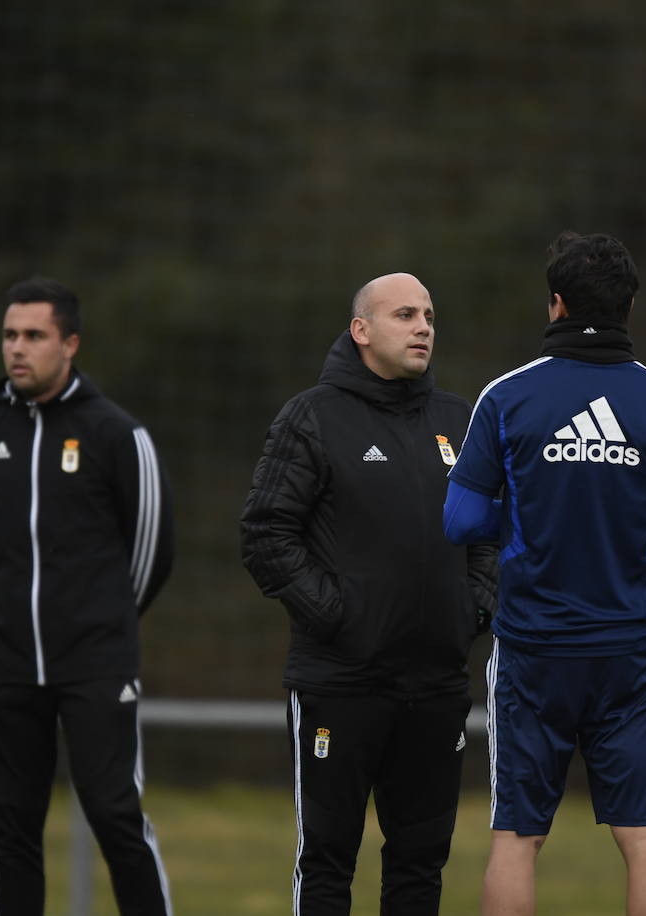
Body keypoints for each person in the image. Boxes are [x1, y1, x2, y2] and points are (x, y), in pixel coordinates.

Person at [443, 232, 646, 916]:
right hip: (631, 654)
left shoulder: (507, 397)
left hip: (533, 652)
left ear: (556, 305)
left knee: (516, 837)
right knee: (645, 838)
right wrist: (635, 521)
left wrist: (535, 519)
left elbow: (459, 520)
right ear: (630, 305)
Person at [239, 272, 498, 915]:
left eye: (430, 316)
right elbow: (266, 534)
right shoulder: (312, 417)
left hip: (436, 686)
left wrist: (472, 609)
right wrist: (338, 614)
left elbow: (495, 532)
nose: (423, 327)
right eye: (405, 314)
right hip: (341, 682)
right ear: (361, 331)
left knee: (419, 867)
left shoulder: (460, 421)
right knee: (328, 862)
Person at [0, 277, 176, 915]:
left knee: (114, 814)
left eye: (35, 336)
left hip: (95, 664)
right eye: (10, 335)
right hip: (6, 663)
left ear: (70, 343)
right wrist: (11, 605)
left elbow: (152, 548)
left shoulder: (117, 435)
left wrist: (100, 621)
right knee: (13, 831)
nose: (18, 349)